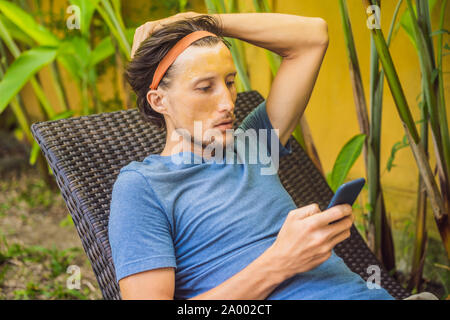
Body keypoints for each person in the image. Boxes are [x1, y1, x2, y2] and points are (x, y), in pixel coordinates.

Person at [108, 11, 398, 300]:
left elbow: (313, 36)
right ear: (159, 100)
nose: (227, 102)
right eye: (205, 88)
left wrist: (204, 21)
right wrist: (279, 263)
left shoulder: (253, 144)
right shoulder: (143, 187)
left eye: (230, 82)